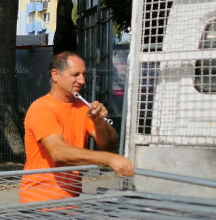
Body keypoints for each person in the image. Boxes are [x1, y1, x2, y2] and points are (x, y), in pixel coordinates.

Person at [20, 51, 134, 203]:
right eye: (75, 75)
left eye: (83, 74)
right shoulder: (42, 108)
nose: (82, 80)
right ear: (55, 75)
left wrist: (100, 122)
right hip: (40, 203)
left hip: (72, 201)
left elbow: (108, 144)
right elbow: (58, 152)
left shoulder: (83, 107)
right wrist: (108, 159)